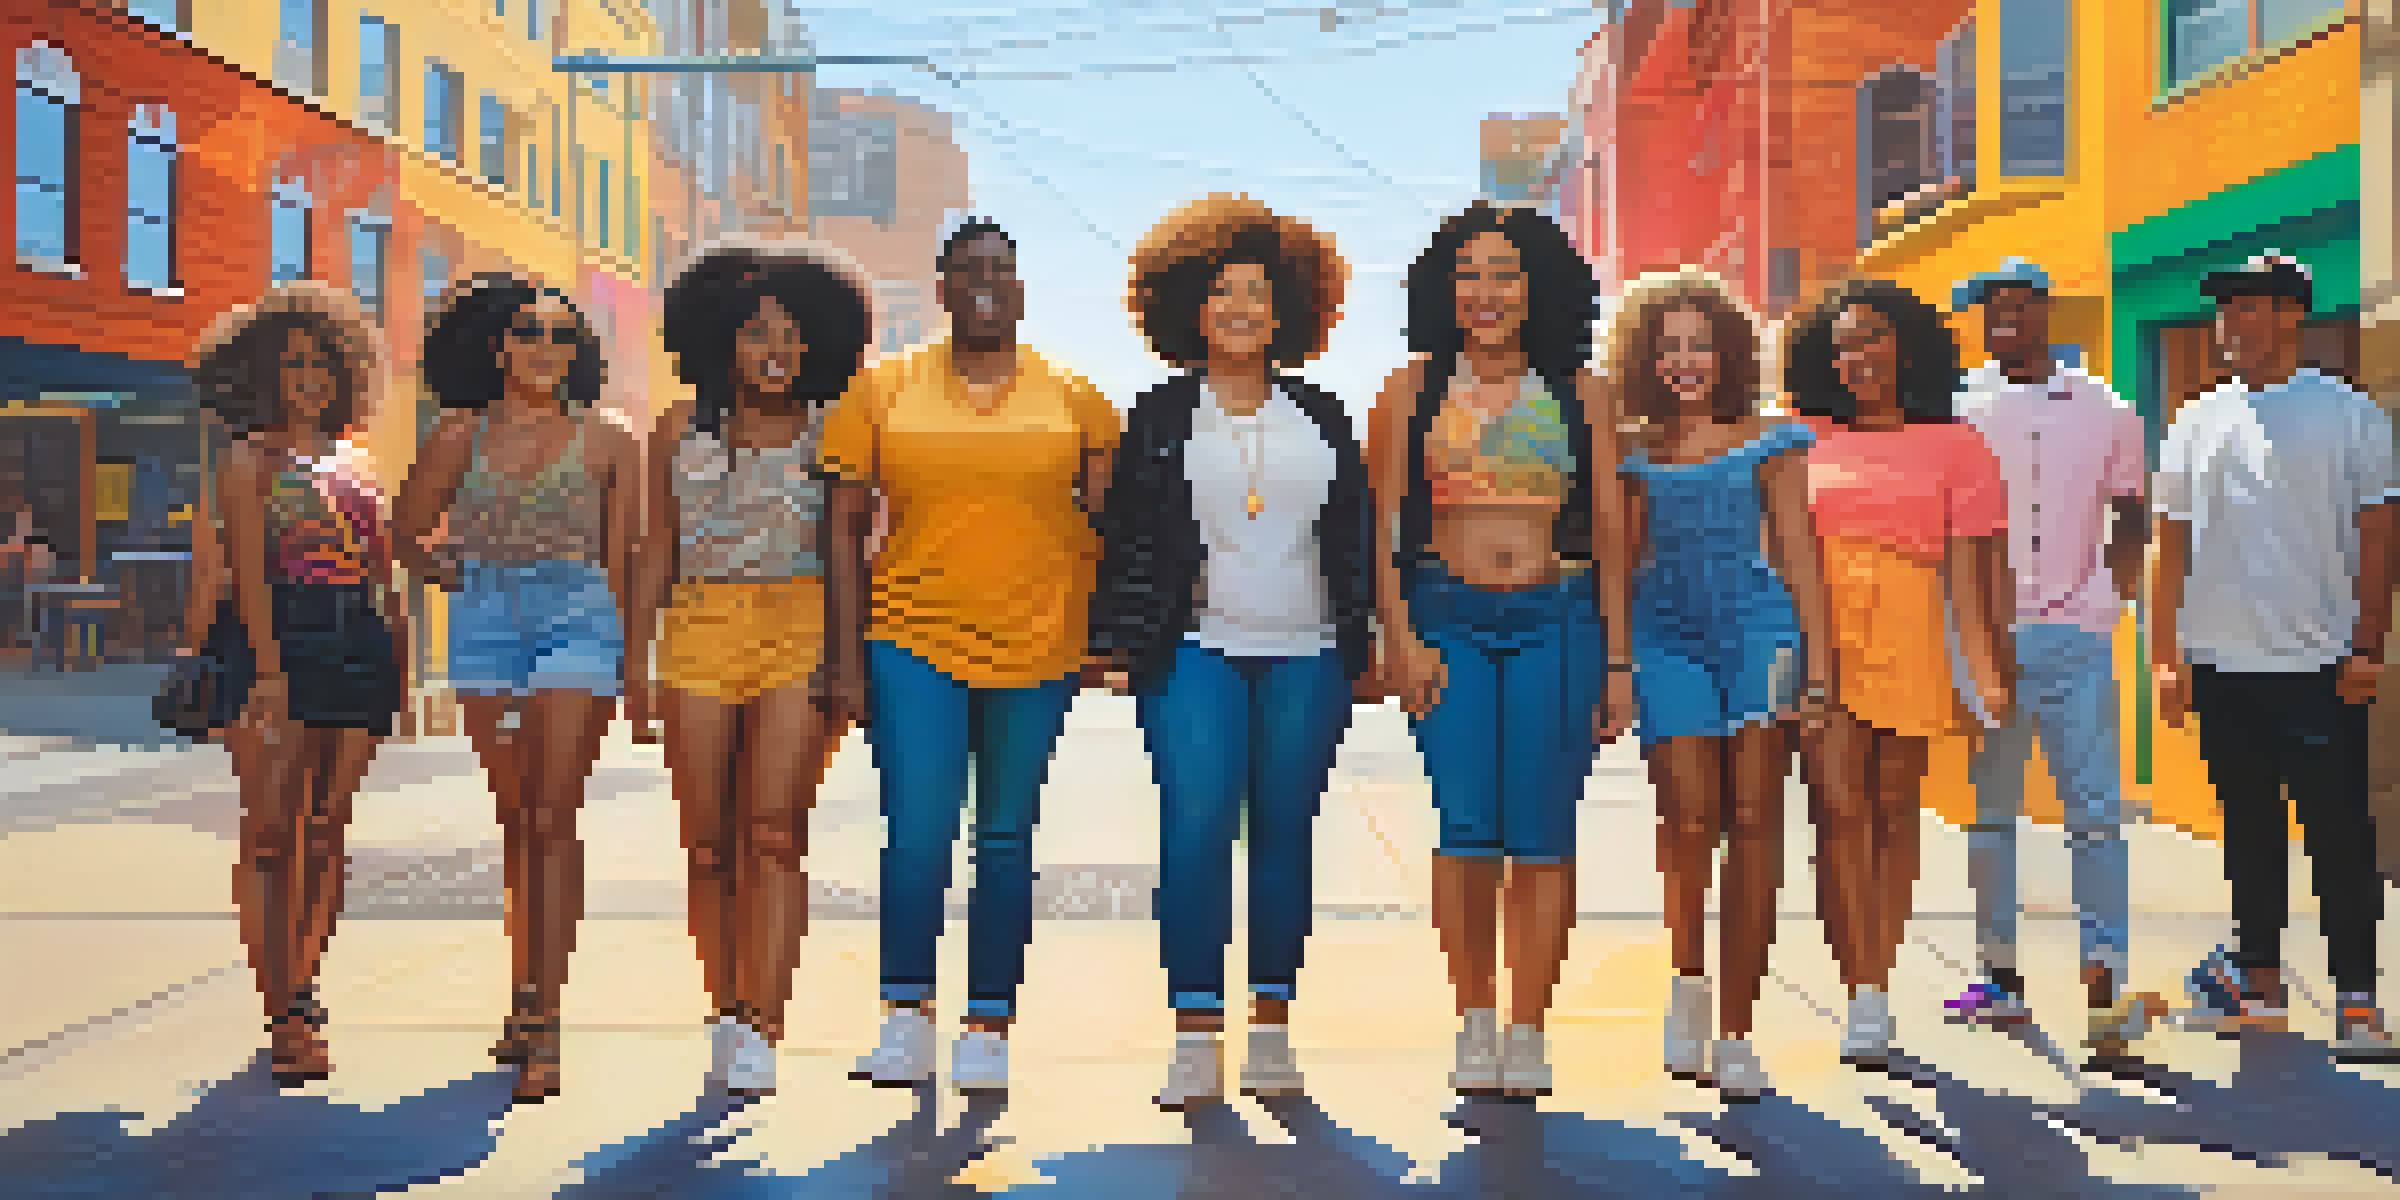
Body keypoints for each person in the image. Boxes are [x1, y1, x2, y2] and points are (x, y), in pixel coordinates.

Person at [1089, 194, 1374, 1109]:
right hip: (1196, 651)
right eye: (1222, 293)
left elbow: (1357, 539)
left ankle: (1274, 1028)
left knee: (1285, 835)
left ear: (1289, 308)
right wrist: (1118, 646)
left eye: (1257, 292)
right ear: (1189, 311)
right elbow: (1129, 539)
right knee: (1197, 828)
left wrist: (1367, 644)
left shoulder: (1323, 418)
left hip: (1309, 653)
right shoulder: (1160, 415)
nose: (1241, 308)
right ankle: (1194, 1030)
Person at [826, 218, 1121, 1094]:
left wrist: (1104, 640)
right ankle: (905, 1014)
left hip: (1040, 644)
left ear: (1022, 290)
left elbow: (1109, 530)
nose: (986, 283)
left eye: (1002, 268)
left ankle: (987, 1023)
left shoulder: (1077, 399)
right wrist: (844, 658)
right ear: (944, 290)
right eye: (968, 270)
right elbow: (840, 531)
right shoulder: (881, 392)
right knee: (917, 833)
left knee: (1004, 838)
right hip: (911, 637)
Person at [1369, 202, 1632, 1099]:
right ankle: (1474, 1019)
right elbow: (1377, 533)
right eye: (1471, 273)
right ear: (1445, 288)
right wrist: (1400, 640)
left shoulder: (1580, 391)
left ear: (1538, 288)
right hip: (1449, 619)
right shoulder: (1408, 392)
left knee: (1543, 835)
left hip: (1558, 617)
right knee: (1467, 830)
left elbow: (1612, 532)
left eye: (1506, 274)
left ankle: (1529, 1030)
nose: (1487, 292)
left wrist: (1619, 662)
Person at [392, 274, 643, 1102]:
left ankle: (545, 1019)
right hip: (486, 622)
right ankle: (523, 993)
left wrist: (634, 666)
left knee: (551, 816)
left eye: (562, 336)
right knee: (515, 821)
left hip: (579, 618)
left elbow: (627, 561)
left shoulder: (608, 440)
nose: (545, 347)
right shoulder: (457, 435)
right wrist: (443, 571)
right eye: (530, 332)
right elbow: (405, 531)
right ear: (500, 346)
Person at [2156, 252, 2398, 1061]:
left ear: (2292, 314)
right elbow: (2172, 544)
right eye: (2225, 308)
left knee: (2339, 838)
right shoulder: (2196, 420)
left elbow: (2378, 536)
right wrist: (2167, 658)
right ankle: (2259, 987)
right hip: (2224, 667)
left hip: (2322, 669)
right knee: (2249, 833)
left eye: (2249, 306)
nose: (2231, 322)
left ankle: (2359, 1002)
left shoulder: (2350, 415)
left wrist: (2368, 645)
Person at [648, 238, 876, 1096]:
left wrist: (847, 668)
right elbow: (655, 547)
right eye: (754, 334)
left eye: (790, 334)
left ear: (818, 340)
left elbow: (850, 550)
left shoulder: (835, 431)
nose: (774, 350)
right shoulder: (678, 428)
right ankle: (725, 1009)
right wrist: (640, 659)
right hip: (698, 629)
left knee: (772, 834)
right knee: (708, 845)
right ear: (721, 342)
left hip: (800, 624)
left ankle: (763, 1026)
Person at [1782, 277, 2013, 1068]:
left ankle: (1876, 979)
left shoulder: (1956, 444)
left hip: (1910, 632)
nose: (1856, 358)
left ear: (1906, 347)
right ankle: (1863, 993)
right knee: (1836, 813)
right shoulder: (1801, 435)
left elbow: (1972, 578)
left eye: (1871, 338)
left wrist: (1986, 674)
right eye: (1842, 344)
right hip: (1823, 633)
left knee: (1891, 811)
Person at [1612, 269, 1830, 1100]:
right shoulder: (1633, 451)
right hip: (1664, 636)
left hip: (1758, 632)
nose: (1685, 359)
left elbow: (1798, 555)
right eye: (1668, 346)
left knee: (1754, 817)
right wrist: (1620, 667)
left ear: (1730, 351)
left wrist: (1820, 669)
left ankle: (1738, 1031)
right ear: (1644, 356)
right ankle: (1688, 980)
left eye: (1700, 344)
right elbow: (1624, 563)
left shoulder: (1771, 438)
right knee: (1690, 812)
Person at [185, 282, 408, 1085]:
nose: (308, 378)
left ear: (346, 371)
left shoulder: (357, 459)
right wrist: (270, 673)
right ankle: (282, 1007)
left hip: (359, 640)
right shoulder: (249, 456)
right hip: (273, 636)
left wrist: (403, 664)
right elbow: (246, 571)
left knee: (327, 828)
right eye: (291, 365)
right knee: (272, 832)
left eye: (321, 363)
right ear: (262, 373)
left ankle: (305, 985)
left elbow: (383, 573)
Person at [1943, 260, 2159, 1070]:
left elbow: (2130, 512)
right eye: (1989, 305)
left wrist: (2112, 598)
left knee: (2095, 818)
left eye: (2018, 304)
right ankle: (1999, 977)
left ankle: (2105, 994)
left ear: (2045, 311)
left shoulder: (2107, 408)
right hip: (1989, 642)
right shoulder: (1961, 409)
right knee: (1993, 819)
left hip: (2075, 639)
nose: (2003, 317)